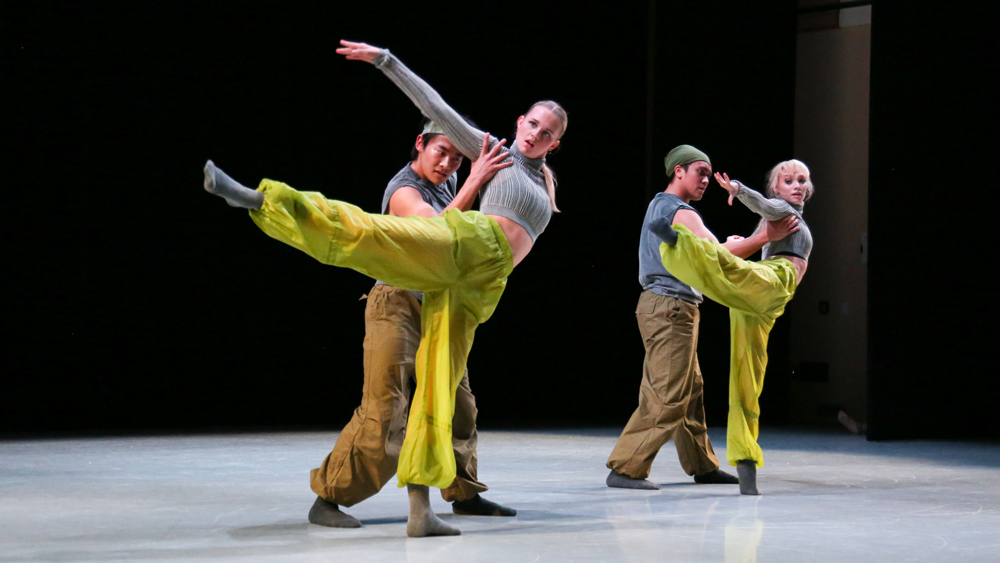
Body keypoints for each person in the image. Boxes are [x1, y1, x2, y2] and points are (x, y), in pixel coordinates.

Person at [202, 39, 568, 537]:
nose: (451, 164)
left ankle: (437, 504)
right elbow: (434, 113)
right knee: (387, 402)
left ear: (553, 144)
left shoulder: (536, 179)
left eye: (547, 133)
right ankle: (270, 202)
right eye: (531, 124)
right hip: (404, 293)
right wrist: (386, 61)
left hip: (473, 284)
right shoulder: (447, 171)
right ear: (519, 123)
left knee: (450, 398)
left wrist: (480, 183)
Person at [307, 119, 517, 528]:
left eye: (458, 159)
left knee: (459, 405)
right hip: (396, 302)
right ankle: (329, 497)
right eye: (442, 153)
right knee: (386, 410)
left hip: (438, 307)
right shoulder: (404, 189)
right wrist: (475, 181)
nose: (449, 165)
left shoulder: (448, 186)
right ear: (420, 144)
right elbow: (434, 232)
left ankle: (463, 492)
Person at [606, 145, 798, 491]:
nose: (707, 180)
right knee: (668, 393)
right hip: (671, 307)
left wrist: (730, 244)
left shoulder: (663, 206)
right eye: (700, 172)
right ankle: (626, 467)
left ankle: (702, 465)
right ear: (678, 171)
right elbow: (718, 257)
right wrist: (765, 237)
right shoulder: (679, 211)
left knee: (689, 391)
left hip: (666, 306)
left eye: (710, 174)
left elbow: (708, 251)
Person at [652, 159, 813, 495]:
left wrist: (742, 244)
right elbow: (766, 205)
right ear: (777, 189)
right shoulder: (780, 209)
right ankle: (677, 243)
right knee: (729, 272)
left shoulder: (777, 221)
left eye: (801, 180)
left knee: (748, 376)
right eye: (788, 180)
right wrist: (739, 190)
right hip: (773, 283)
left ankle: (745, 461)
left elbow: (747, 252)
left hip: (761, 301)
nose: (796, 185)